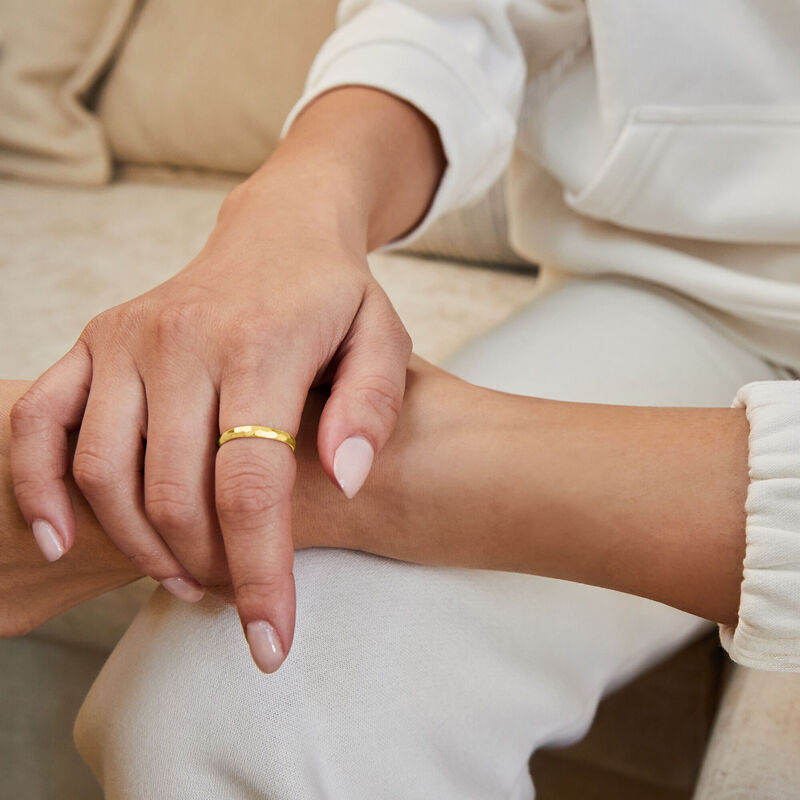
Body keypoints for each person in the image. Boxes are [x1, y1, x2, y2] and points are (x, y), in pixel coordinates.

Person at [8, 1, 800, 796]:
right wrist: (286, 217)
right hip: (688, 295)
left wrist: (370, 478)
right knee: (234, 712)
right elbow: (450, 18)